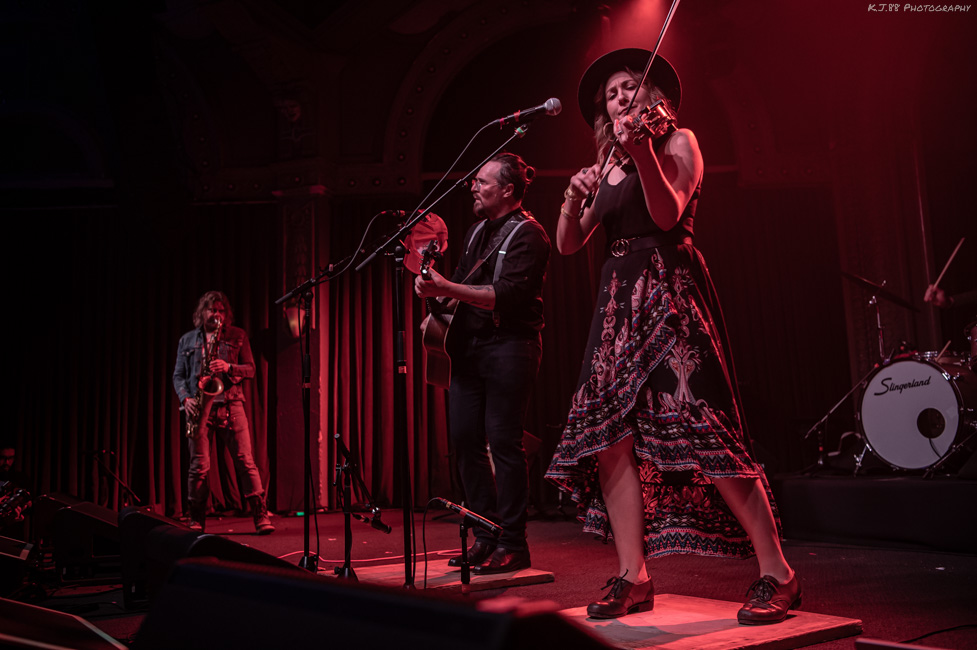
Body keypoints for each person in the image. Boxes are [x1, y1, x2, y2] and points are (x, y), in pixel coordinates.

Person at [545, 49, 799, 624]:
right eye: (610, 94)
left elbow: (666, 215)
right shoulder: (607, 166)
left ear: (652, 97)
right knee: (609, 438)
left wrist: (641, 152)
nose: (620, 98)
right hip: (616, 303)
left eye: (630, 87)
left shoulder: (675, 142)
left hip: (668, 288)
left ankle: (778, 573)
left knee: (705, 427)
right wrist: (571, 195)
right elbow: (566, 244)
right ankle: (633, 576)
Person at [415, 152, 550, 574]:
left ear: (507, 189)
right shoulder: (476, 232)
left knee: (504, 443)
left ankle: (514, 543)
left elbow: (505, 294)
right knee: (464, 440)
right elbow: (461, 285)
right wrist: (434, 292)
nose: (473, 187)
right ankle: (484, 534)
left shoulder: (532, 235)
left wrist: (449, 288)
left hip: (510, 345)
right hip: (471, 348)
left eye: (482, 182)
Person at [173, 291, 274, 535]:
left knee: (245, 462)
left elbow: (250, 369)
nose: (216, 314)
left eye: (220, 310)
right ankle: (196, 517)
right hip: (200, 408)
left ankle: (260, 515)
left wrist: (229, 367)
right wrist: (186, 398)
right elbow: (178, 376)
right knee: (199, 466)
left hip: (231, 404)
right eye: (212, 310)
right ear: (202, 313)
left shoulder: (237, 335)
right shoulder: (187, 340)